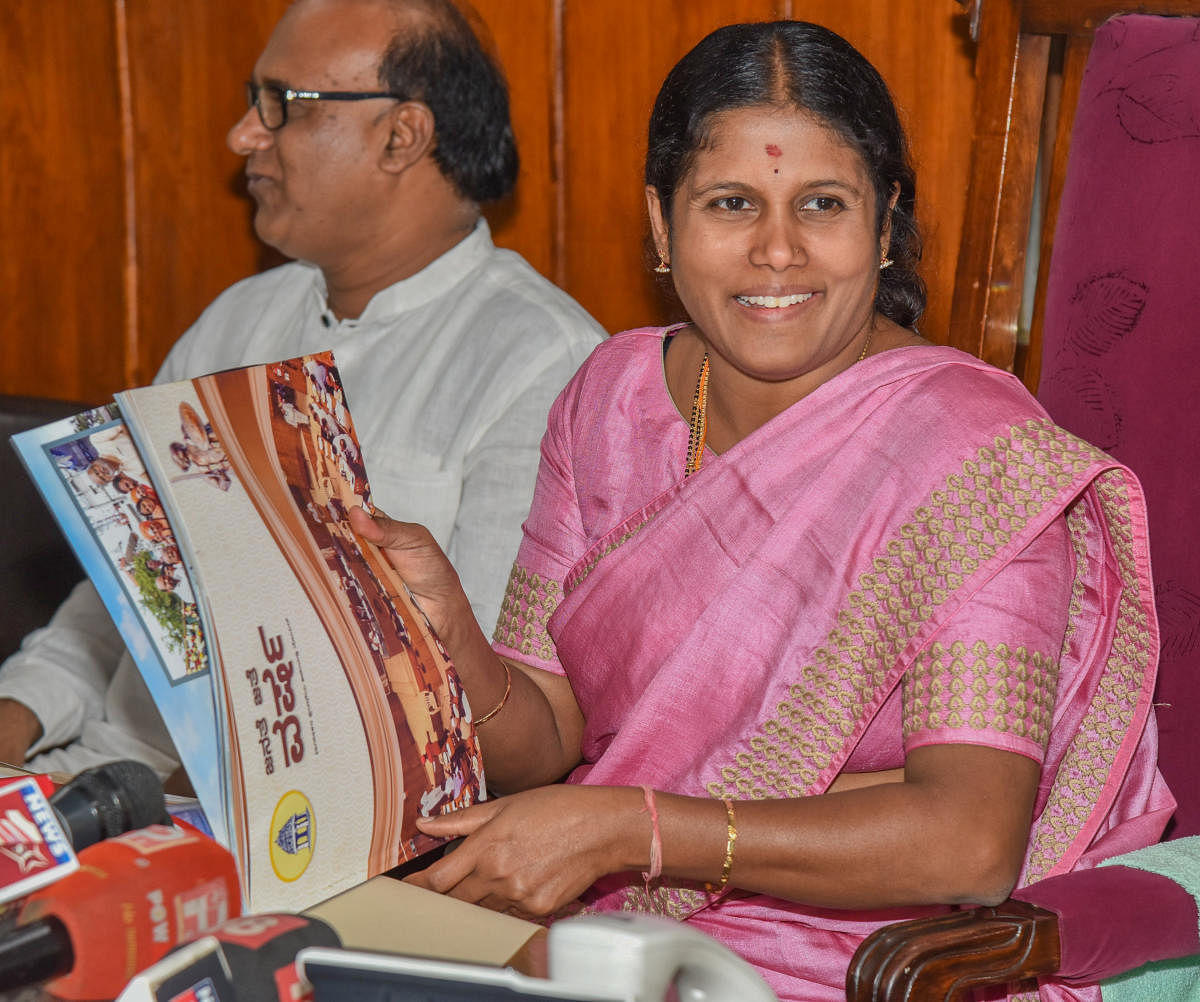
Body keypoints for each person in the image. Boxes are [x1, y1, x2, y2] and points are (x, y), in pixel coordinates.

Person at [350, 21, 1174, 1001]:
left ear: (884, 221)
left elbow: (969, 838)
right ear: (661, 224)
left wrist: (639, 828)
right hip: (611, 919)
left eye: (821, 204)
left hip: (865, 957)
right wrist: (447, 636)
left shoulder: (967, 452)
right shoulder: (608, 399)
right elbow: (542, 735)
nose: (777, 252)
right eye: (731, 203)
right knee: (278, 953)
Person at [0, 0, 602, 780]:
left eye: (281, 105)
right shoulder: (238, 318)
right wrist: (19, 713)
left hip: (324, 825)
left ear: (401, 135)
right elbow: (130, 591)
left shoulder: (542, 363)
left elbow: (474, 701)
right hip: (102, 775)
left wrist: (216, 802)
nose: (244, 135)